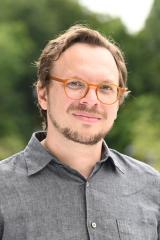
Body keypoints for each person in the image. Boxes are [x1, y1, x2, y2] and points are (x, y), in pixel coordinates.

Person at [0, 24, 160, 240]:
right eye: (75, 84)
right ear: (43, 95)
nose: (91, 101)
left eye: (105, 88)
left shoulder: (152, 188)